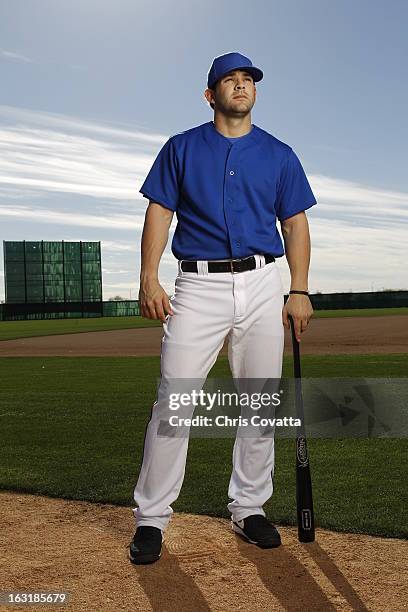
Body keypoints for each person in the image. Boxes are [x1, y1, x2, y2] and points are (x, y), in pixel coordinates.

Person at [129, 52, 317, 565]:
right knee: (175, 400)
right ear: (210, 94)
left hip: (262, 282)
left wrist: (298, 288)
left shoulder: (279, 153)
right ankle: (151, 518)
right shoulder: (181, 147)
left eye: (248, 80)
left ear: (255, 92)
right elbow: (159, 211)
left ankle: (249, 507)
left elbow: (295, 224)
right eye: (229, 81)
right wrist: (149, 277)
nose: (241, 86)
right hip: (198, 284)